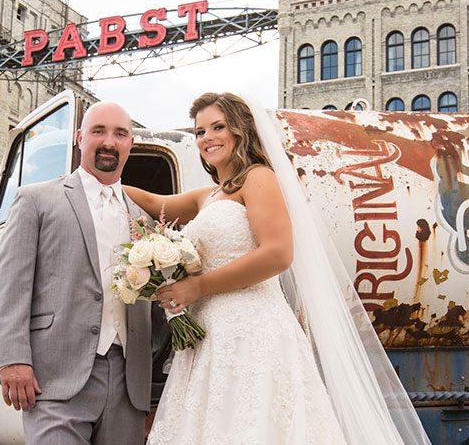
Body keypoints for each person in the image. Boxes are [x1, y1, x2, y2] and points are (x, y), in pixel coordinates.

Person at [125, 92, 430, 444]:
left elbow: (277, 254)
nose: (207, 137)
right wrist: (96, 181)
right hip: (210, 336)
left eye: (217, 127)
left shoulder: (258, 178)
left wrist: (198, 286)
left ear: (240, 131)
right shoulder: (208, 196)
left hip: (252, 331)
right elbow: (154, 203)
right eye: (199, 131)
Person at [0, 101, 153, 444]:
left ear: (130, 144)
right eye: (99, 131)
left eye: (120, 134)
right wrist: (12, 358)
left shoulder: (143, 219)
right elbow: (9, 285)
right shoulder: (36, 200)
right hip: (54, 375)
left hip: (128, 382)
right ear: (79, 138)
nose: (109, 142)